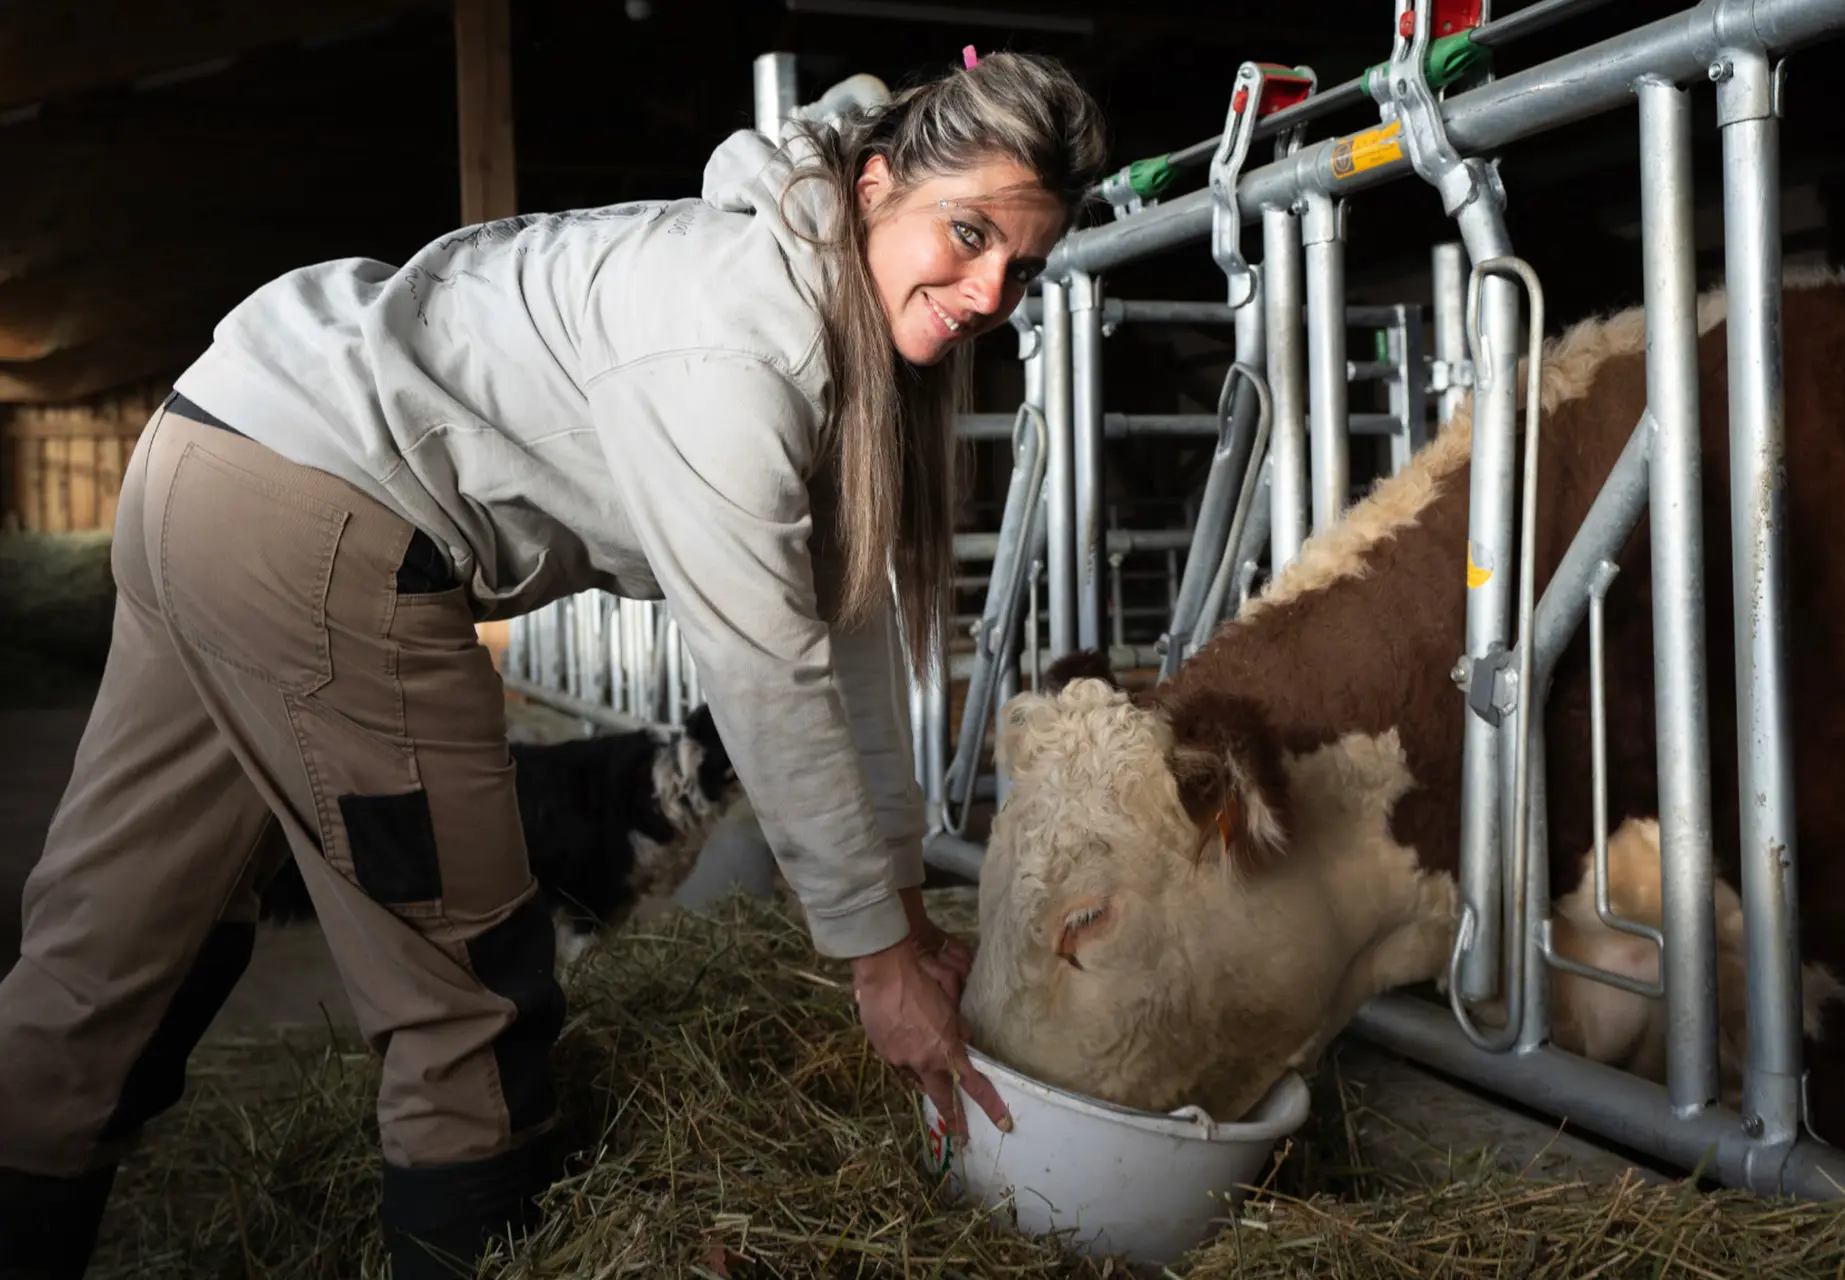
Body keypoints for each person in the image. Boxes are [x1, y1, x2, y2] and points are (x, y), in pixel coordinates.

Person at [0, 48, 1108, 1279]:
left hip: (212, 452)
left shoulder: (804, 296)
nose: (991, 289)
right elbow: (766, 670)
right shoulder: (751, 339)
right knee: (470, 1011)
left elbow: (842, 634)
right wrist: (878, 968)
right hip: (326, 512)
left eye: (1024, 264)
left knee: (107, 960)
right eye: (968, 233)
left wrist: (898, 911)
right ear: (876, 183)